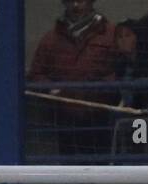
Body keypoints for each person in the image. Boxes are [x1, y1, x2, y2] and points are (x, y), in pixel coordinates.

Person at [28, 0, 130, 156]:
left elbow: (125, 70)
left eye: (80, 0)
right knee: (70, 169)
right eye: (70, 1)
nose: (75, 5)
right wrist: (52, 89)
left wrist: (100, 90)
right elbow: (35, 74)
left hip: (103, 117)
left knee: (101, 168)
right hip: (64, 120)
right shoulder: (50, 39)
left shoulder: (112, 34)